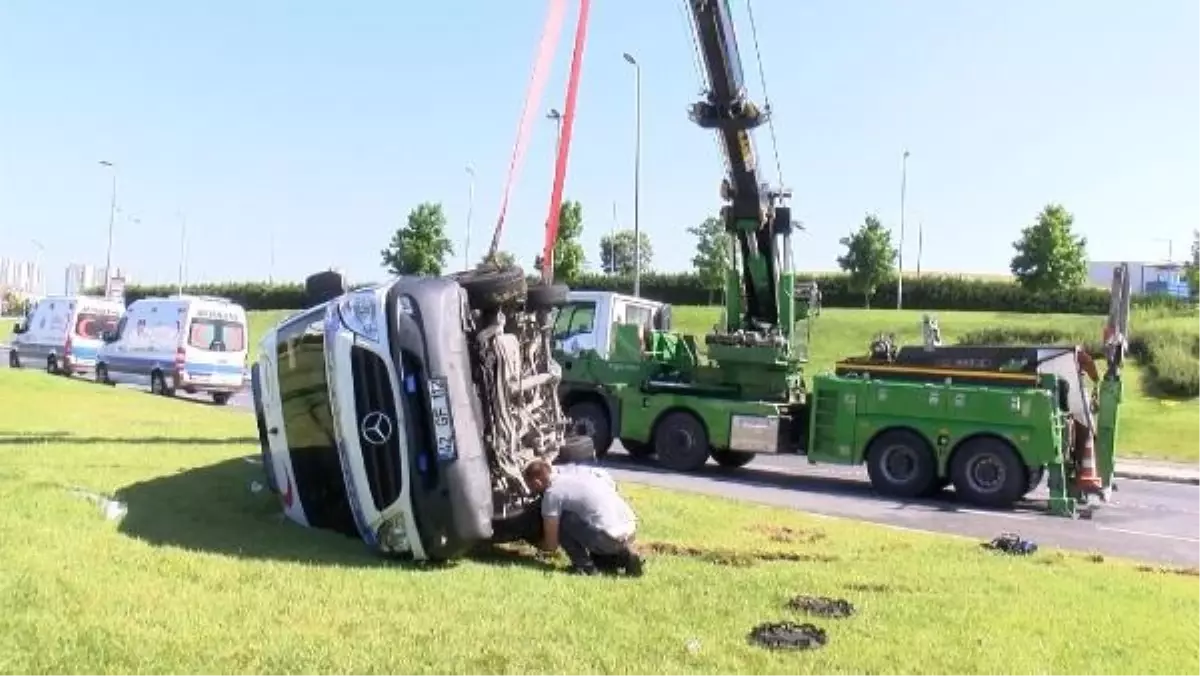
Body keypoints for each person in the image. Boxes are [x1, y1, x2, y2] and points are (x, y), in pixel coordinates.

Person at [523, 458, 644, 576]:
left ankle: (585, 567)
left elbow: (552, 545)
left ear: (537, 483)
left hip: (607, 537)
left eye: (530, 487)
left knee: (562, 520)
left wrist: (532, 541)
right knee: (602, 562)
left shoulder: (552, 494)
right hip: (630, 528)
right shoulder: (578, 475)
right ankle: (625, 556)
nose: (531, 492)